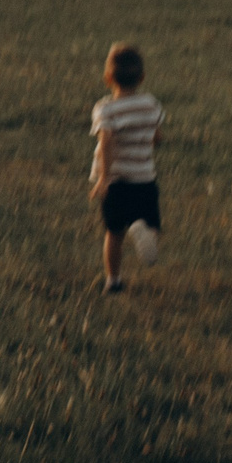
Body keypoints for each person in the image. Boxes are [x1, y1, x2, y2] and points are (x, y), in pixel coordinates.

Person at [86, 42, 165, 294]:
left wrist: (104, 178)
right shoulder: (151, 104)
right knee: (151, 223)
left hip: (116, 181)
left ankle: (114, 280)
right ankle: (144, 232)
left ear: (108, 78)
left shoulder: (105, 109)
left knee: (114, 232)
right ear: (142, 77)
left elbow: (106, 141)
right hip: (143, 178)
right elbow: (157, 136)